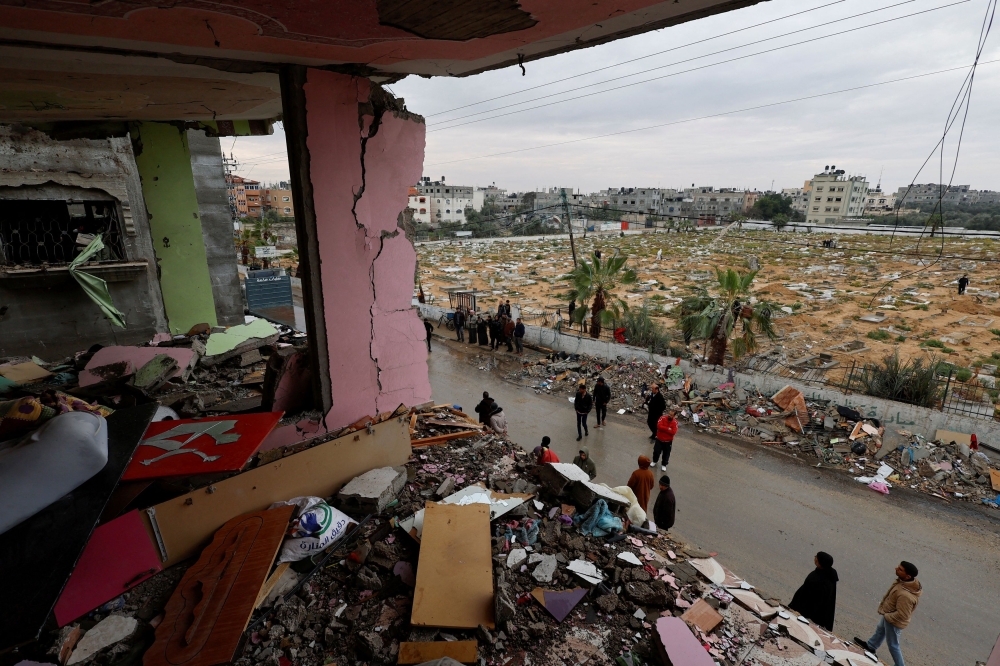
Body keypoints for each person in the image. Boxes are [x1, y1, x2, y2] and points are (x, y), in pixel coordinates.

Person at [854, 562, 922, 666]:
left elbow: (903, 615)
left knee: (893, 645)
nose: (896, 569)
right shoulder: (904, 582)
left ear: (908, 576)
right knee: (880, 629)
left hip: (894, 621)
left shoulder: (906, 596)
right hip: (889, 615)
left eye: (900, 569)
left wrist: (888, 616)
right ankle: (871, 646)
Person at [790, 552, 839, 631]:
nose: (815, 557)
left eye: (817, 557)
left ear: (820, 563)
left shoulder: (820, 580)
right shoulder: (830, 573)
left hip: (810, 610)